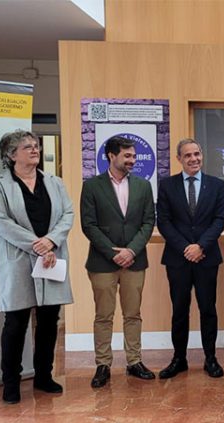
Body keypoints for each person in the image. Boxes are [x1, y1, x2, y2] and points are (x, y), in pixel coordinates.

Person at [0, 130, 74, 404]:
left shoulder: (54, 182)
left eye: (35, 146)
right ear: (12, 155)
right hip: (18, 260)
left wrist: (51, 241)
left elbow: (67, 214)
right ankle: (10, 382)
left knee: (49, 321)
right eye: (27, 147)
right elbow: (1, 222)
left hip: (52, 258)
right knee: (16, 323)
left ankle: (44, 376)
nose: (34, 150)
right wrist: (37, 245)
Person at [80, 135, 156, 388]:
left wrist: (131, 251)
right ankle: (103, 365)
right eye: (127, 156)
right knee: (104, 316)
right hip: (103, 262)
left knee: (133, 314)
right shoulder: (92, 186)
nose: (133, 160)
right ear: (112, 156)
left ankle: (134, 361)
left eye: (134, 156)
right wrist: (114, 253)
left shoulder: (144, 186)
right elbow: (88, 225)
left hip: (134, 261)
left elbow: (148, 223)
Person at [156, 138, 224, 379]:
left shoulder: (216, 185)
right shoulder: (167, 186)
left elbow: (219, 220)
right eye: (188, 155)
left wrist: (201, 246)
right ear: (179, 159)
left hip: (207, 258)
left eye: (197, 154)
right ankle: (179, 359)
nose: (194, 158)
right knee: (179, 310)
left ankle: (210, 358)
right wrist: (187, 247)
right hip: (178, 259)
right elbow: (163, 221)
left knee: (208, 309)